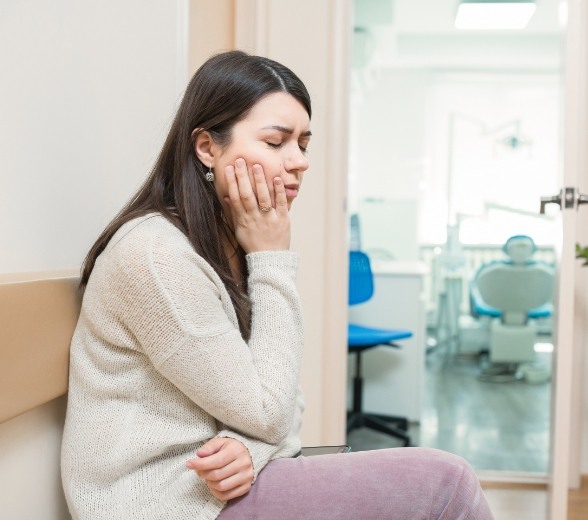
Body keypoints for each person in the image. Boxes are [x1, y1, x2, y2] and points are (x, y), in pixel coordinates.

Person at [61, 50, 494, 519]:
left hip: (214, 491)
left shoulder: (228, 241)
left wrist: (251, 446)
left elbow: (284, 401)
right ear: (207, 147)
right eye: (276, 142)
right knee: (447, 482)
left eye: (303, 144)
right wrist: (272, 258)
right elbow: (271, 412)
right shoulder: (156, 256)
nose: (299, 161)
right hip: (165, 504)